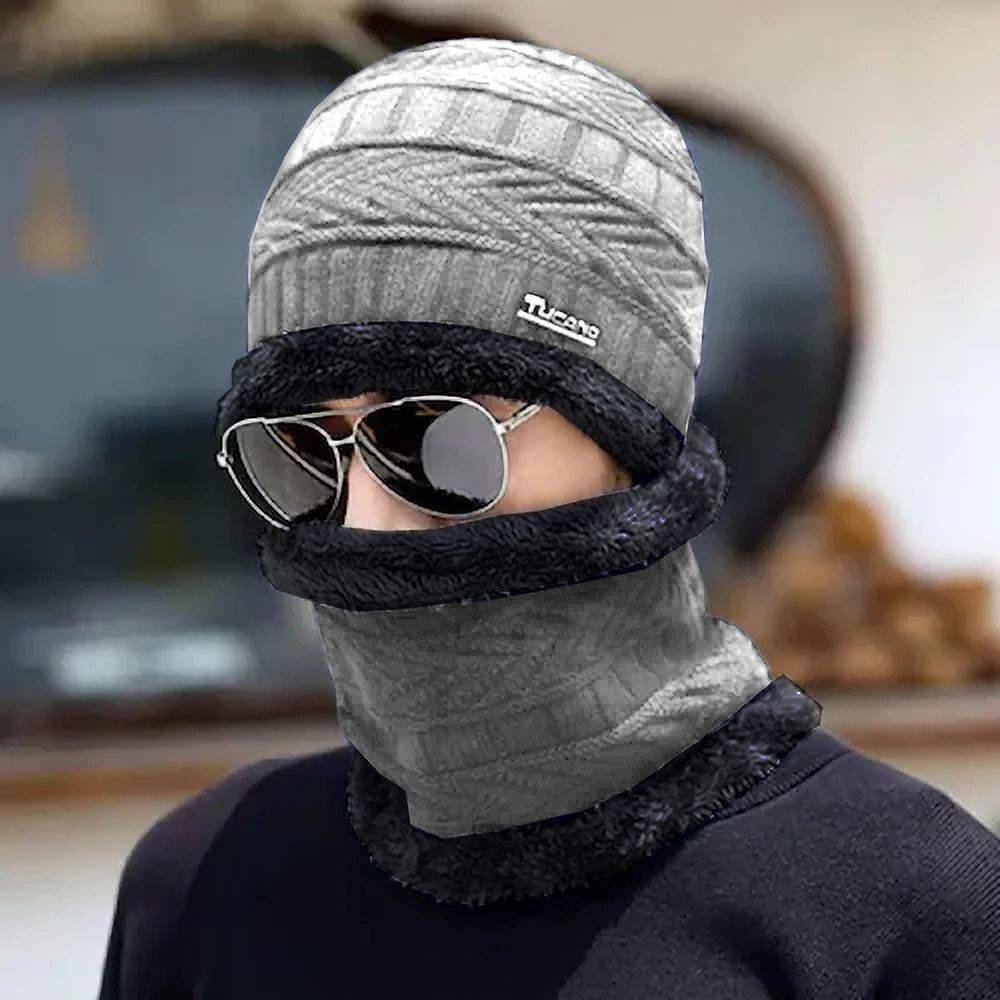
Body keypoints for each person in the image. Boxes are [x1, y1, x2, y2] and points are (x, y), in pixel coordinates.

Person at [99, 37, 1000, 999]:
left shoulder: (905, 913)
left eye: (435, 435)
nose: (364, 522)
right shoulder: (206, 882)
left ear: (625, 432)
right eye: (304, 451)